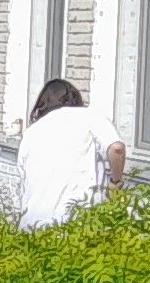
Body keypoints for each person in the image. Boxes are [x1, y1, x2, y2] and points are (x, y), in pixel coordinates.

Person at [14, 76, 127, 230]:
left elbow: (24, 184)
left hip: (33, 226)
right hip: (79, 225)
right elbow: (116, 149)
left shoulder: (31, 133)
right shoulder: (90, 118)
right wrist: (115, 183)